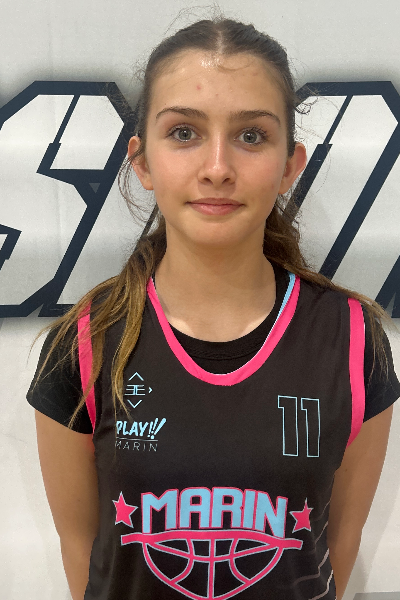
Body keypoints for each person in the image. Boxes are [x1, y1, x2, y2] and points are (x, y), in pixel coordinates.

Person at [27, 16, 400, 600]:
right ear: (142, 161)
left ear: (290, 166)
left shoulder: (352, 340)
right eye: (184, 133)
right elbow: (83, 555)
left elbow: (337, 546)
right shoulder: (84, 343)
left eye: (251, 135)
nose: (218, 167)